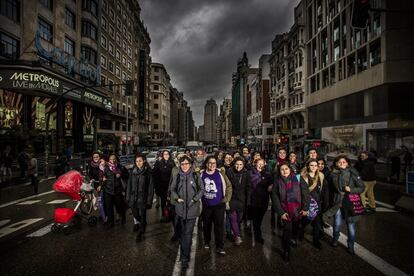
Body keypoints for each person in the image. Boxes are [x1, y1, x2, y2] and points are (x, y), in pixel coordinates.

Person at [324, 155, 365, 255]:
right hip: (337, 202)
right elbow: (333, 189)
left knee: (351, 226)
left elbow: (362, 187)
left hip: (350, 202)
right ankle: (335, 239)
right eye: (339, 162)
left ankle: (350, 245)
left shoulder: (353, 173)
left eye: (344, 162)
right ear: (336, 164)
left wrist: (351, 190)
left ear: (347, 163)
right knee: (337, 224)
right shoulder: (333, 174)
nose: (342, 164)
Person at [169, 155, 204, 270]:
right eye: (182, 164)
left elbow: (202, 189)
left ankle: (184, 258)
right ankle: (184, 251)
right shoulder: (177, 175)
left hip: (192, 210)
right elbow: (172, 189)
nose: (184, 166)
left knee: (187, 234)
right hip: (179, 210)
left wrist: (194, 199)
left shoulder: (195, 175)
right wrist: (176, 198)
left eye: (186, 164)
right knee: (181, 233)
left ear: (190, 164)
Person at [272, 164, 309, 261]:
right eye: (282, 169)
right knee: (286, 230)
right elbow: (275, 197)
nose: (284, 171)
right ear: (279, 171)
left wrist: (305, 208)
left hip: (298, 210)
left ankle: (294, 238)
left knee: (296, 227)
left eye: (286, 169)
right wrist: (281, 212)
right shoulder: (277, 181)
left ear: (290, 169)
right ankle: (286, 250)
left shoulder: (298, 178)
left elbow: (305, 193)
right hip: (285, 211)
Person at [200, 155, 232, 255]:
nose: (212, 165)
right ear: (206, 164)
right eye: (210, 163)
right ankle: (207, 242)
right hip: (206, 205)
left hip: (219, 205)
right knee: (207, 225)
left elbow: (228, 186)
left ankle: (220, 246)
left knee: (219, 226)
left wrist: (226, 199)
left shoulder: (220, 174)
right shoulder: (201, 174)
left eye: (214, 163)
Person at [299, 159, 329, 249]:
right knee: (305, 220)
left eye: (316, 165)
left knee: (317, 223)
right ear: (308, 166)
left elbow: (324, 190)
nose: (314, 167)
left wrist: (325, 204)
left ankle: (316, 241)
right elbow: (302, 192)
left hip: (317, 203)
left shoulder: (321, 176)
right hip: (306, 203)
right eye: (312, 165)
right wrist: (304, 206)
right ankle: (300, 231)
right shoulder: (303, 177)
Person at [126, 154, 154, 242]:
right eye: (137, 161)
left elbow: (150, 187)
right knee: (135, 214)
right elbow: (129, 185)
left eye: (140, 161)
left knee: (142, 215)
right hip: (133, 198)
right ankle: (142, 223)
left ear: (144, 161)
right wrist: (127, 197)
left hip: (143, 198)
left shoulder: (148, 172)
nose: (138, 163)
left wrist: (149, 201)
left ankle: (140, 233)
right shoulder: (132, 171)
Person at [226, 157, 250, 245]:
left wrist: (248, 200)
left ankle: (235, 230)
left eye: (240, 164)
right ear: (234, 164)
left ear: (243, 165)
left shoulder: (247, 173)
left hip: (242, 199)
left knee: (239, 219)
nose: (238, 166)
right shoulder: (229, 172)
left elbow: (248, 187)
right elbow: (226, 186)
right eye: (236, 164)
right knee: (233, 217)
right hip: (232, 198)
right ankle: (237, 236)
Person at [249, 157, 273, 244]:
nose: (260, 165)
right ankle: (257, 234)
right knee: (256, 219)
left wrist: (271, 185)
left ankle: (256, 230)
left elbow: (271, 183)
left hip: (264, 200)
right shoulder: (250, 173)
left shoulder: (267, 174)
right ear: (255, 164)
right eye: (258, 163)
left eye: (262, 164)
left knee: (260, 217)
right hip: (253, 200)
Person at [102, 154, 126, 228]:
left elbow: (126, 175)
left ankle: (123, 216)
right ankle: (111, 223)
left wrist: (120, 174)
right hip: (108, 190)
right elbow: (101, 175)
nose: (112, 160)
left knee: (119, 206)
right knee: (109, 207)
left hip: (117, 190)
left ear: (116, 159)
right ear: (109, 160)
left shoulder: (120, 166)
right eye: (111, 159)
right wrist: (103, 178)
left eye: (114, 159)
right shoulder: (105, 167)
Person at [153, 150, 176, 222]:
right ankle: (163, 215)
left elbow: (175, 174)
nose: (166, 156)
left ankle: (170, 215)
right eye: (164, 154)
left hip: (170, 186)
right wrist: (156, 186)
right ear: (162, 155)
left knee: (170, 201)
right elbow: (155, 174)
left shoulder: (172, 162)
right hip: (162, 186)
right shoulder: (158, 163)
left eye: (167, 154)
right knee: (163, 202)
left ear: (169, 155)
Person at [88, 152, 106, 222]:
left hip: (102, 184)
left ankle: (104, 216)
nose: (96, 158)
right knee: (99, 201)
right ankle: (102, 215)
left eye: (97, 157)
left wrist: (101, 184)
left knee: (101, 200)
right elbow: (89, 174)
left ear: (99, 157)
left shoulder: (102, 164)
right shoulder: (91, 165)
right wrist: (91, 179)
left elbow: (105, 174)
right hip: (95, 185)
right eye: (94, 157)